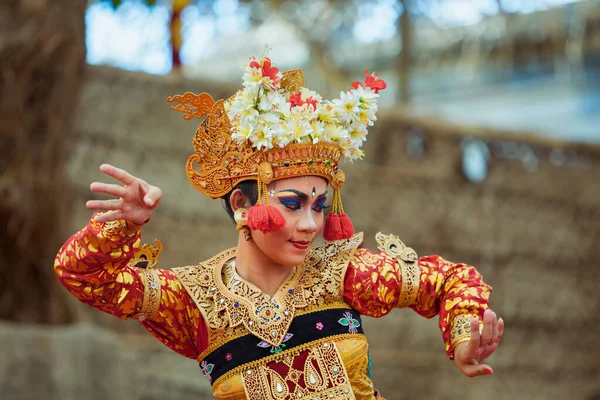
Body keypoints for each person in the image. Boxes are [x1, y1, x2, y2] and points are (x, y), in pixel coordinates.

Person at [54, 54, 504, 400]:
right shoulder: (191, 302)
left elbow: (449, 280)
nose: (310, 225)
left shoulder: (341, 274)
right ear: (240, 204)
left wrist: (463, 339)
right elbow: (82, 276)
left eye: (320, 206)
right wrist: (122, 227)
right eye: (291, 204)